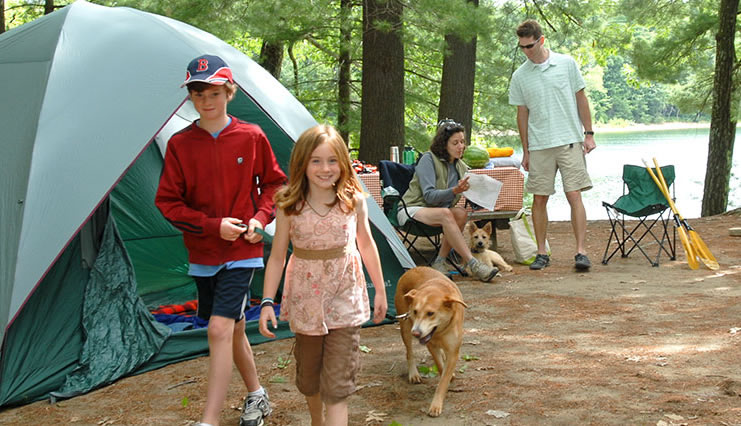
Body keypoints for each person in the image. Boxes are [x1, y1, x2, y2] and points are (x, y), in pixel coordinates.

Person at [155, 54, 283, 426]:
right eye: (197, 93)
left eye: (213, 91)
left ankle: (208, 420)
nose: (205, 100)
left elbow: (275, 184)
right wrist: (212, 226)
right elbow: (167, 202)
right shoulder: (180, 143)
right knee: (235, 326)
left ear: (230, 91)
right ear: (190, 97)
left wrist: (259, 219)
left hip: (243, 251)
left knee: (218, 328)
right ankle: (257, 395)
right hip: (203, 252)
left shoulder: (252, 135)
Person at [258, 124, 388, 426]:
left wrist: (380, 290)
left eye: (332, 160)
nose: (325, 168)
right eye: (316, 160)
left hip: (345, 299)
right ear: (302, 163)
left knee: (337, 387)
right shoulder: (289, 204)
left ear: (343, 163)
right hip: (306, 302)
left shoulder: (352, 200)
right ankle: (317, 420)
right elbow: (277, 257)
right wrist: (266, 301)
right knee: (310, 378)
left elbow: (366, 244)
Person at [508, 19, 597, 271]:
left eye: (530, 46)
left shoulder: (566, 64)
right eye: (522, 47)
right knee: (539, 198)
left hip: (569, 139)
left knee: (574, 195)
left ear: (541, 40)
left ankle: (580, 252)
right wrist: (525, 150)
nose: (527, 51)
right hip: (539, 145)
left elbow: (581, 99)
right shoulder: (520, 76)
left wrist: (588, 133)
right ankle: (541, 253)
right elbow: (522, 114)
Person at [397, 119, 499, 282]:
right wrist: (454, 190)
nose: (461, 146)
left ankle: (439, 261)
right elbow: (429, 196)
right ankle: (473, 263)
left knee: (460, 213)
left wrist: (480, 193)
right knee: (446, 213)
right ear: (444, 144)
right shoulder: (428, 159)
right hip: (412, 209)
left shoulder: (461, 166)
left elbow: (465, 195)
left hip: (439, 213)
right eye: (455, 143)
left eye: (463, 142)